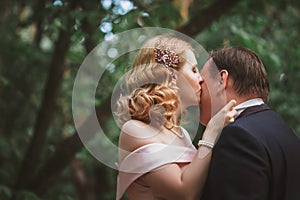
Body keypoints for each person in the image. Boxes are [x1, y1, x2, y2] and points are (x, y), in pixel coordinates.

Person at [115, 35, 237, 200]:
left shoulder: (182, 134)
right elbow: (184, 193)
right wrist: (211, 133)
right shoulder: (135, 129)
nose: (201, 79)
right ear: (171, 76)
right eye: (194, 70)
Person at [199, 46, 300, 200]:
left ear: (221, 80)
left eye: (202, 84)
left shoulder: (237, 137)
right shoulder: (285, 132)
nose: (198, 93)